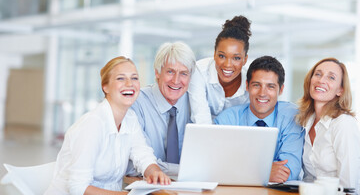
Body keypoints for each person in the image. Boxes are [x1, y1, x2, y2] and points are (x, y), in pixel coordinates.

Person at [45, 56, 170, 195]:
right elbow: (78, 187)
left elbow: (142, 154)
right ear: (105, 87)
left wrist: (155, 171)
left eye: (134, 78)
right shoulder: (93, 124)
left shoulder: (130, 118)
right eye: (121, 78)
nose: (130, 83)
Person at [215, 56, 304, 183]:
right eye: (256, 85)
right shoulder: (227, 120)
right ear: (247, 86)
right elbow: (217, 167)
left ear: (281, 90)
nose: (262, 93)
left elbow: (289, 171)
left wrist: (241, 169)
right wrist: (265, 172)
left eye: (270, 86)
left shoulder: (291, 117)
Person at [127, 41, 196, 176]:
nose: (176, 81)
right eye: (170, 71)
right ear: (157, 72)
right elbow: (133, 164)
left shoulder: (194, 104)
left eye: (183, 73)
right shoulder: (137, 103)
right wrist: (188, 170)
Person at [297, 58, 360, 188]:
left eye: (331, 78)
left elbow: (349, 185)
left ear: (340, 90)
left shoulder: (344, 124)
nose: (321, 80)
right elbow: (309, 178)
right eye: (318, 74)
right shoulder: (305, 121)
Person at [188, 15, 251, 124]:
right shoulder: (199, 71)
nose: (227, 65)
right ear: (214, 54)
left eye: (236, 58)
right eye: (222, 56)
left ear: (245, 59)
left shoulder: (250, 82)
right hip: (201, 136)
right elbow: (201, 118)